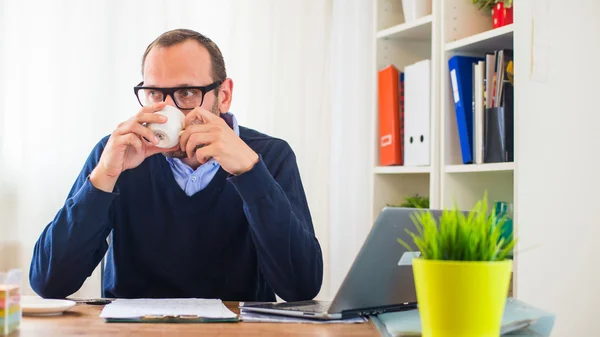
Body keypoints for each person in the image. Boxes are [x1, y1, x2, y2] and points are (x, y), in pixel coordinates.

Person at [29, 29, 323, 302]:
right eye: (155, 94)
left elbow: (301, 287)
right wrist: (104, 177)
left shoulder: (269, 157)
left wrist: (250, 173)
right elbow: (49, 283)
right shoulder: (117, 155)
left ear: (224, 95)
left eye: (186, 93)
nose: (167, 109)